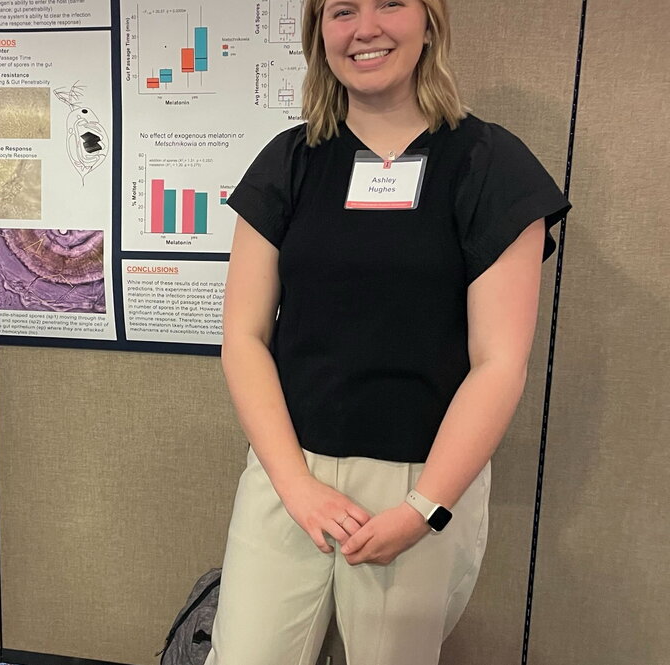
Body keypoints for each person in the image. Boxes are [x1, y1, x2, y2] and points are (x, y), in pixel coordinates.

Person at [208, 0, 570, 663]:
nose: (365, 27)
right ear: (319, 32)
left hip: (421, 480)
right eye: (342, 10)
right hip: (289, 474)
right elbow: (244, 336)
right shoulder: (288, 162)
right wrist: (295, 485)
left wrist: (424, 507)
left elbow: (500, 362)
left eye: (390, 4)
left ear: (430, 21)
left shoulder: (492, 167)